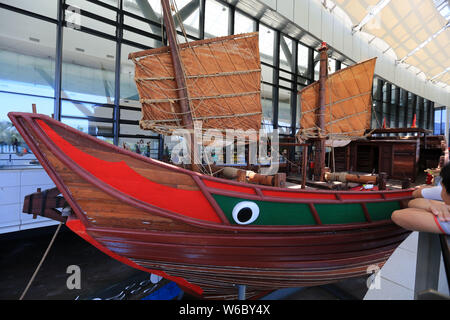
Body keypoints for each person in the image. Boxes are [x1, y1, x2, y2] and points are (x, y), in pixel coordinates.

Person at [391, 162, 450, 235]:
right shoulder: (446, 206)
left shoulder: (447, 219)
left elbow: (397, 215)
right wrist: (436, 206)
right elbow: (413, 202)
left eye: (442, 187)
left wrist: (435, 207)